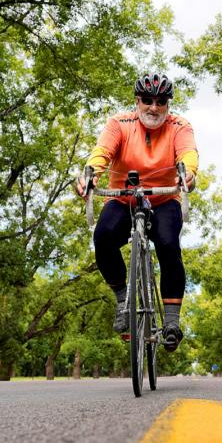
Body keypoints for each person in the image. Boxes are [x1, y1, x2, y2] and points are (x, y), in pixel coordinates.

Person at [76, 73, 198, 352]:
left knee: (168, 244)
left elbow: (188, 155)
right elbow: (101, 153)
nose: (153, 107)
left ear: (168, 104)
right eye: (147, 100)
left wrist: (187, 174)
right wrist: (90, 176)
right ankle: (123, 301)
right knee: (103, 236)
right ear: (137, 101)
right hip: (123, 198)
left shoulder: (180, 126)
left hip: (164, 199)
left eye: (161, 101)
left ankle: (170, 321)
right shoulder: (119, 124)